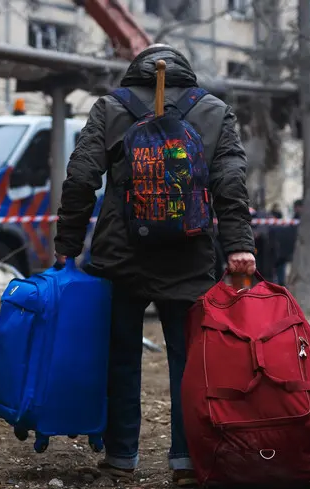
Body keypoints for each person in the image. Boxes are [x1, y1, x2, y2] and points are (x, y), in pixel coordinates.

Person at [53, 45, 256, 487]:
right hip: (189, 256)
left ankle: (121, 458)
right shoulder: (213, 111)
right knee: (190, 363)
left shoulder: (111, 107)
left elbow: (81, 176)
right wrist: (239, 244)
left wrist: (67, 243)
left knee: (121, 358)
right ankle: (186, 462)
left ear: (134, 72)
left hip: (120, 255)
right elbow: (230, 181)